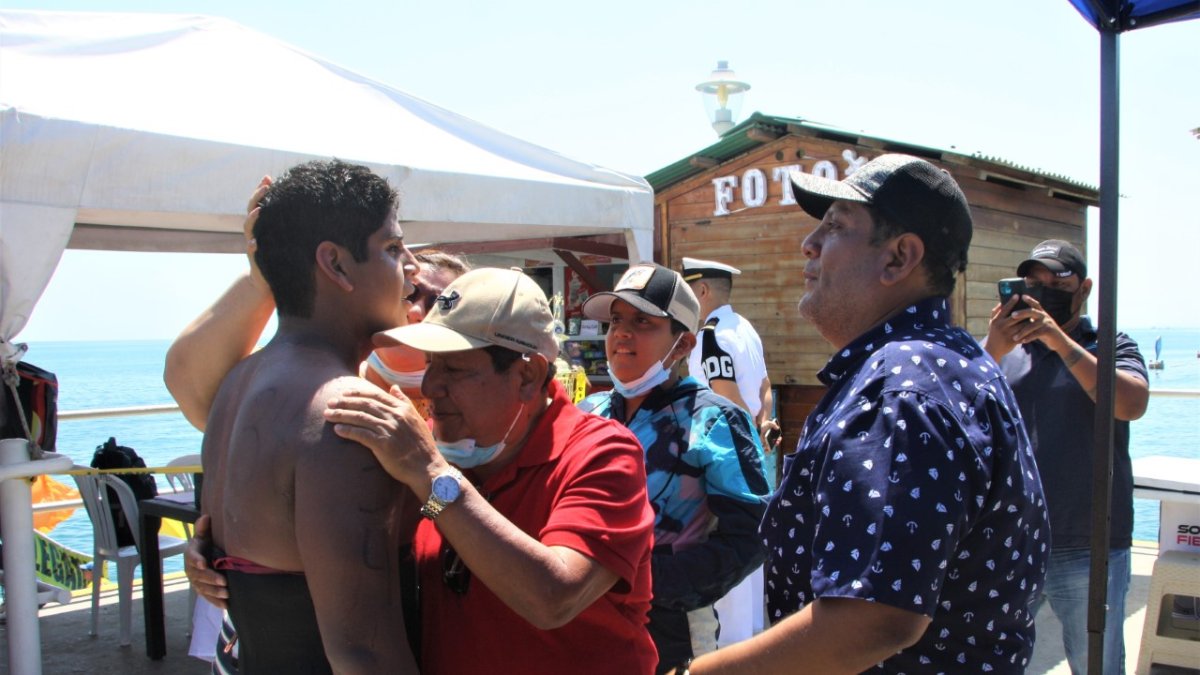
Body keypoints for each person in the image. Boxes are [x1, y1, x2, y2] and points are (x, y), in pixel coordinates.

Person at [680, 154, 1050, 674]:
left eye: (834, 228)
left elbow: (873, 619)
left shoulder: (900, 390)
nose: (808, 244)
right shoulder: (947, 363)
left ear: (899, 258)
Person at [191, 267, 660, 675]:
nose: (430, 387)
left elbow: (554, 597)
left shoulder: (603, 454)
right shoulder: (450, 460)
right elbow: (388, 533)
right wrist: (226, 558)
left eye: (454, 369)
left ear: (528, 376)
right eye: (430, 365)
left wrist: (429, 470)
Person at [199, 159, 419, 673]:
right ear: (336, 265)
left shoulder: (237, 384)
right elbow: (363, 651)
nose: (410, 264)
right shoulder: (342, 412)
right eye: (391, 248)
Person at [163, 174, 469, 431]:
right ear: (336, 266)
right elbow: (192, 384)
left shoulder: (496, 390)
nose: (416, 312)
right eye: (411, 293)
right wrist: (266, 279)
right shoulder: (334, 393)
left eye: (442, 304)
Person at [577, 263, 768, 672]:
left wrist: (649, 582)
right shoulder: (587, 413)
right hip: (579, 617)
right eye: (616, 320)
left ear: (682, 345)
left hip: (668, 630)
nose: (622, 333)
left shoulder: (715, 420)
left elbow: (752, 535)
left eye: (643, 321)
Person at [985, 239, 1149, 675]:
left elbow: (1130, 404)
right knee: (986, 658)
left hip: (1090, 545)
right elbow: (959, 407)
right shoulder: (1007, 354)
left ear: (1085, 288)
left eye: (1057, 280)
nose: (1044, 289)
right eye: (1033, 281)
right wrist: (992, 347)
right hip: (1013, 542)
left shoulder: (1111, 344)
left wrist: (1059, 341)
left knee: (1096, 664)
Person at [680, 256, 774, 647]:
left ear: (702, 291)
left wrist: (748, 429)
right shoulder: (745, 327)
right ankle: (751, 636)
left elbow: (725, 399)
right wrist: (764, 423)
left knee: (729, 557)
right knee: (754, 549)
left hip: (728, 458)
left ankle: (732, 650)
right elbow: (766, 386)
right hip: (757, 449)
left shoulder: (711, 336)